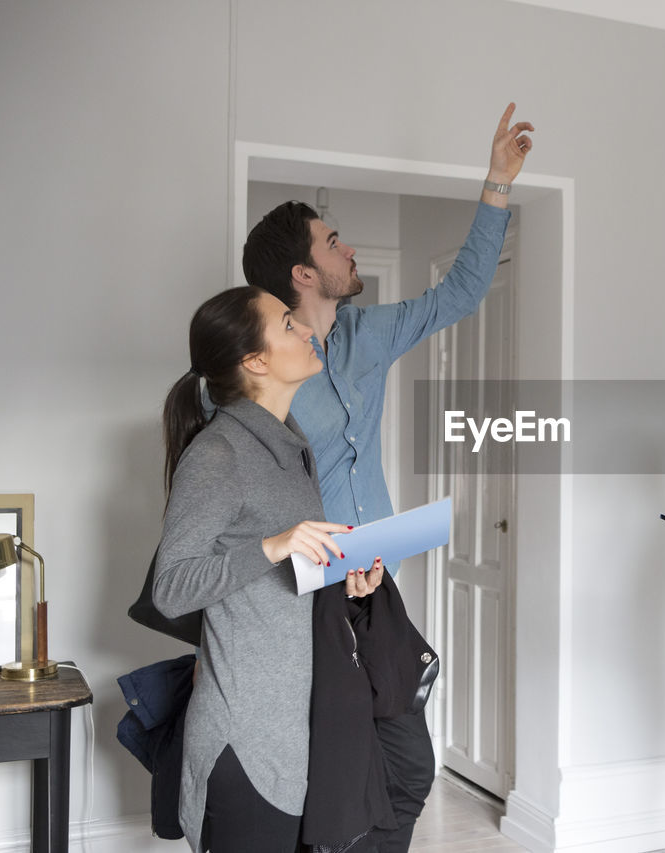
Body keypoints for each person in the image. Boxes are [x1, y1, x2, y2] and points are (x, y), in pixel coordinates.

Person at [241, 101, 534, 852]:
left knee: (404, 765)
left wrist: (496, 182)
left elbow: (462, 294)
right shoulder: (262, 364)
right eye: (334, 242)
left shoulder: (369, 333)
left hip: (378, 585)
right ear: (305, 272)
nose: (349, 250)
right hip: (302, 597)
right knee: (329, 776)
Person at [153, 286, 385, 852]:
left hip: (303, 724)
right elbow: (170, 588)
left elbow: (287, 580)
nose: (307, 329)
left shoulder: (292, 446)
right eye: (287, 324)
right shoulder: (219, 454)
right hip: (247, 734)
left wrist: (346, 582)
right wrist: (273, 546)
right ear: (255, 360)